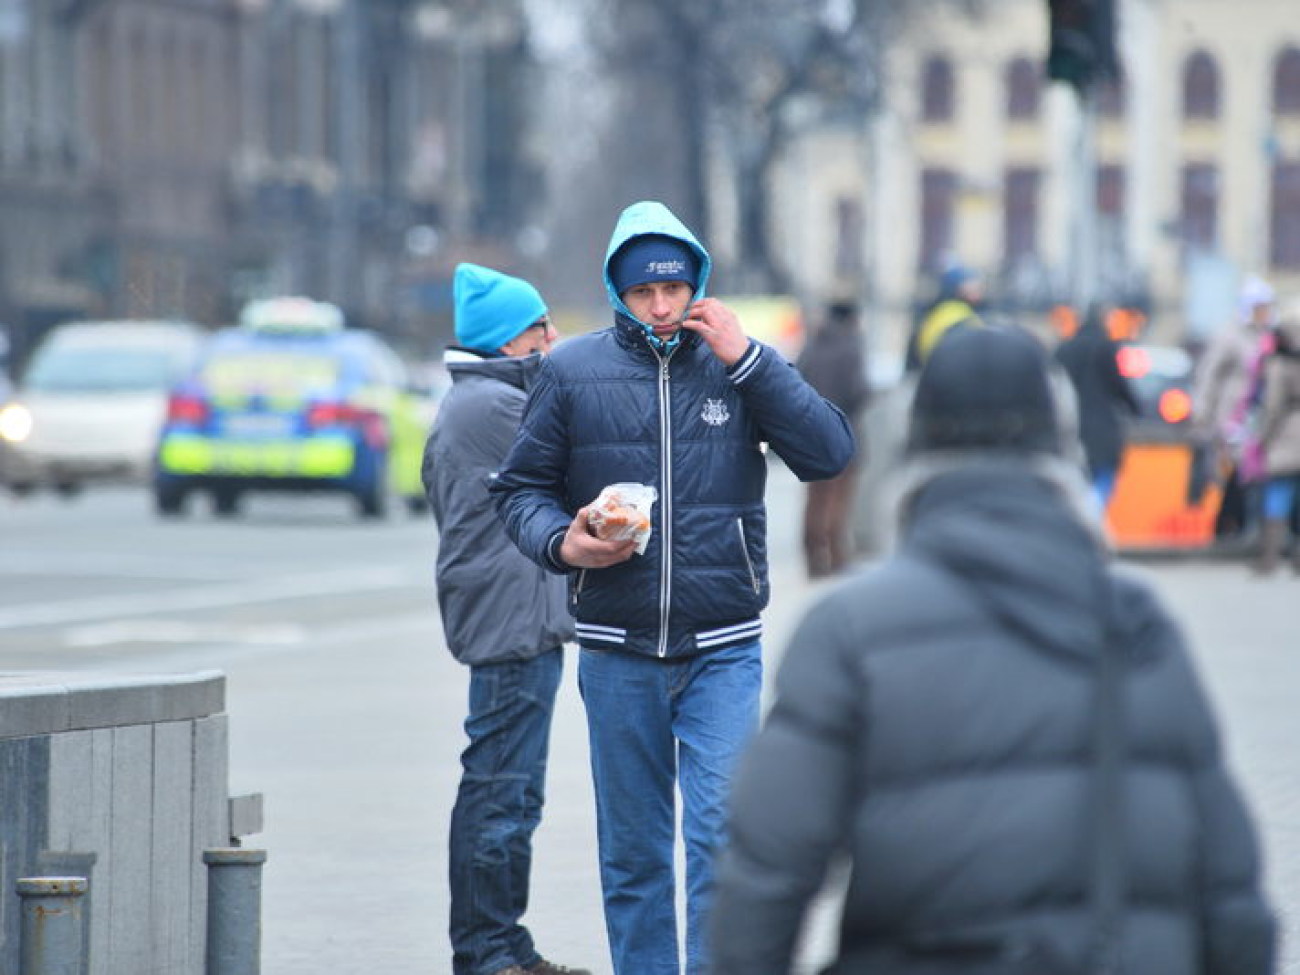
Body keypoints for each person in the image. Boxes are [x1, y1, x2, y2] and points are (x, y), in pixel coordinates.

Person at [711, 325, 1276, 975]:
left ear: (914, 452)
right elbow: (1232, 895)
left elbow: (765, 879)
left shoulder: (850, 629)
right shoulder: (1138, 623)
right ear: (1059, 449)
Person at [491, 200, 856, 975]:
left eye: (675, 290)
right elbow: (519, 491)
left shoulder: (735, 361)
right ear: (618, 293)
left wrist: (751, 359)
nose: (661, 308)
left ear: (698, 284)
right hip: (617, 649)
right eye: (643, 294)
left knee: (721, 841)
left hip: (723, 646)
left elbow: (829, 452)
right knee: (633, 855)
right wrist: (565, 540)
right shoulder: (570, 370)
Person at [422, 262, 588, 975]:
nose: (553, 336)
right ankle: (486, 950)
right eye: (538, 326)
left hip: (522, 614)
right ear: (504, 341)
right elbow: (579, 457)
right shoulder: (490, 406)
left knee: (515, 791)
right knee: (499, 791)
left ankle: (505, 941)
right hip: (509, 621)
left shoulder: (489, 396)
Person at [1192, 276, 1277, 538]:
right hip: (1234, 414)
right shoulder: (1230, 336)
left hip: (1261, 414)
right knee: (1235, 471)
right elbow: (1210, 375)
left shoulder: (1272, 337)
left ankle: (1250, 528)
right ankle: (1229, 527)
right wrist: (1202, 411)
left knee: (1257, 472)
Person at [795, 298, 872, 577]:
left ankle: (812, 557)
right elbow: (860, 391)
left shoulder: (812, 345)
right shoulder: (851, 347)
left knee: (814, 498)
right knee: (838, 499)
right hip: (843, 432)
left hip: (810, 432)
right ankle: (836, 557)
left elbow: (793, 381)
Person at [1053, 302, 1140, 514]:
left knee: (1075, 481)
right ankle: (1091, 520)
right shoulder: (1106, 348)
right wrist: (1136, 409)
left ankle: (1079, 519)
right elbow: (1120, 388)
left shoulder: (1065, 349)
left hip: (1071, 427)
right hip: (1103, 427)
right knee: (1102, 481)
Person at [1253, 298, 1300, 573]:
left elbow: (1272, 407)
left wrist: (1263, 438)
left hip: (1285, 433)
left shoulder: (1279, 364)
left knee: (1278, 493)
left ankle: (1269, 558)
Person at [904, 262, 985, 372]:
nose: (979, 291)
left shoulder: (939, 312)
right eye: (973, 286)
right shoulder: (957, 314)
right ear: (959, 287)